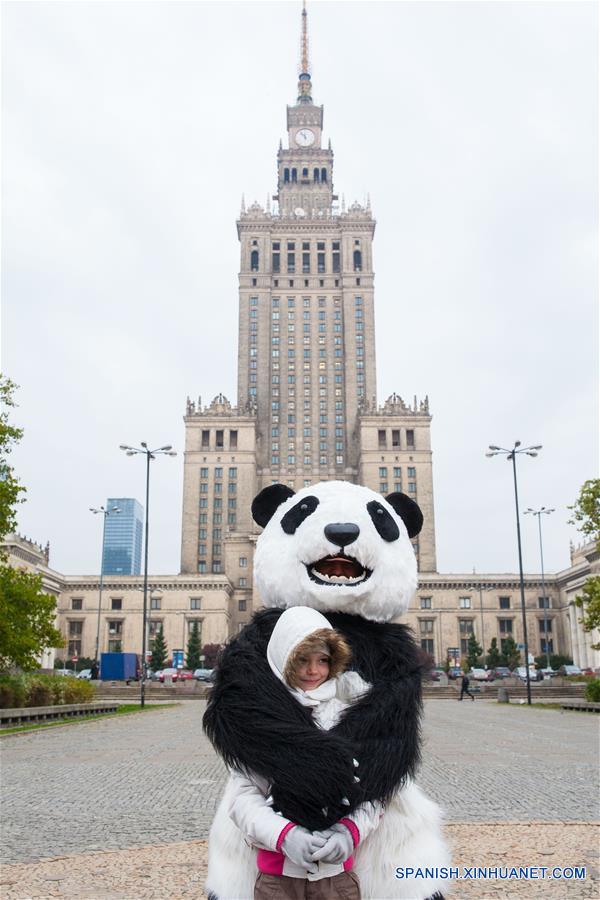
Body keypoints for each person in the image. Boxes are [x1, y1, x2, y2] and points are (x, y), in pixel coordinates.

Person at [227, 606, 383, 900]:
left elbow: (375, 790)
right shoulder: (259, 718)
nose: (314, 671)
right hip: (278, 880)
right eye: (302, 660)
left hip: (336, 879)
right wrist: (285, 837)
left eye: (323, 660)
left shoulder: (350, 717)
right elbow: (243, 797)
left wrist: (350, 832)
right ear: (283, 659)